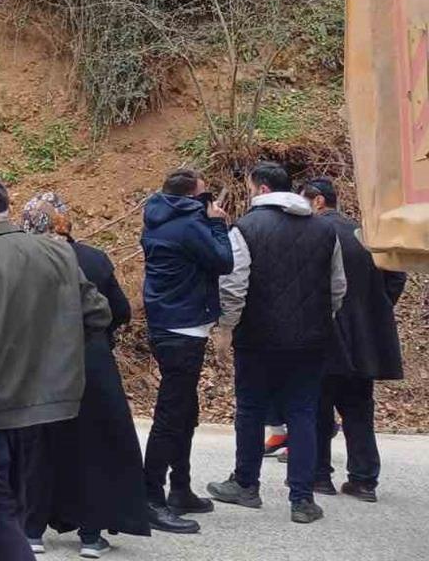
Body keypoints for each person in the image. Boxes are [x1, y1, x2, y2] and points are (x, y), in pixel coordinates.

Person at [0, 176, 112, 561]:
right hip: (46, 405)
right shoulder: (59, 253)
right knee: (13, 509)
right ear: (8, 208)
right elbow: (98, 314)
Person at [206, 162, 346, 525]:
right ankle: (302, 499)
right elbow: (337, 287)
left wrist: (226, 328)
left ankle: (246, 484)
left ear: (262, 189)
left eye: (251, 186)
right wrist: (322, 319)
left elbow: (233, 285)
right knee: (303, 412)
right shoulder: (324, 229)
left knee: (251, 409)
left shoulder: (246, 228)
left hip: (258, 337)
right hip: (311, 339)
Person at [19, 192, 151, 559]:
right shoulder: (91, 258)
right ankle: (91, 535)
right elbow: (119, 310)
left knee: (38, 446)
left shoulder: (17, 260)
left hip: (35, 364)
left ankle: (31, 530)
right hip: (89, 361)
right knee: (92, 443)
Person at [300, 177, 407, 503]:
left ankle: (319, 475)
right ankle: (364, 480)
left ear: (318, 201)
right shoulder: (366, 234)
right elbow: (396, 273)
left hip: (324, 333)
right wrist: (377, 307)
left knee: (318, 407)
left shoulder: (313, 234)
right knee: (359, 408)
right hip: (365, 337)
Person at [139, 168, 233, 533]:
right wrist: (218, 224)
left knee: (185, 410)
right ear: (192, 198)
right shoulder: (190, 225)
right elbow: (223, 261)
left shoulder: (157, 219)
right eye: (204, 195)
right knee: (171, 415)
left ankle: (180, 487)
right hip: (184, 327)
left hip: (168, 321)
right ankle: (151, 497)